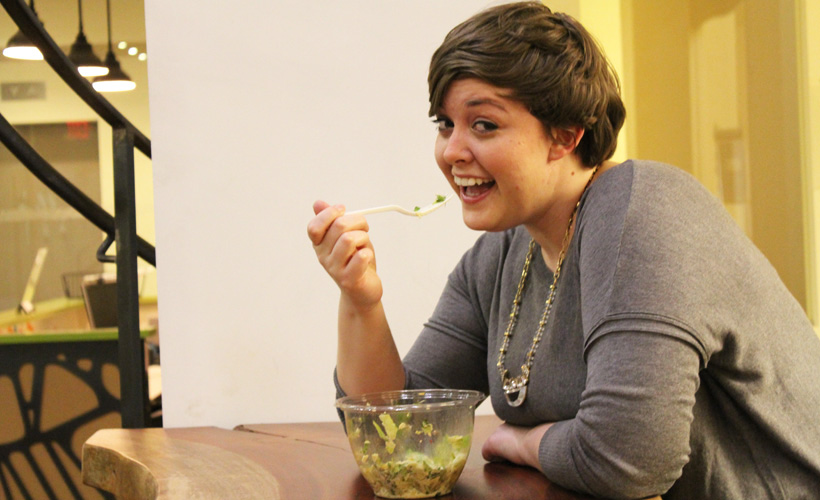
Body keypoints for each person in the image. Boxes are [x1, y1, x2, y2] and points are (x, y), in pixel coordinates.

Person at [306, 2, 820, 499]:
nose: (452, 151)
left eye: (483, 125)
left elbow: (628, 459)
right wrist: (360, 298)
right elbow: (395, 434)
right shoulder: (502, 254)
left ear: (565, 136)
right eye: (444, 123)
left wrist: (523, 442)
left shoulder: (644, 212)